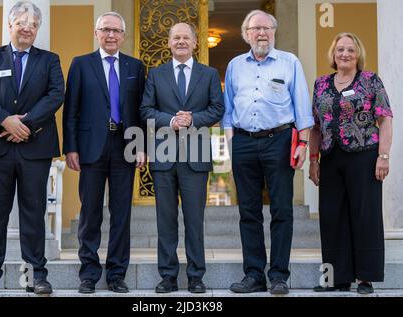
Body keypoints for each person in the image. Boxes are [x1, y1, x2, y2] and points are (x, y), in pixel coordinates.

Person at [0, 1, 64, 296]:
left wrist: (26, 124)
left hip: (35, 146)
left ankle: (37, 275)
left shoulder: (49, 60)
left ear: (37, 30)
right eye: (21, 22)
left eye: (33, 24)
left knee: (33, 211)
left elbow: (55, 94)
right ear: (10, 26)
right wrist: (5, 121)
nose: (27, 28)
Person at [223, 10, 314, 295]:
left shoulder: (290, 62)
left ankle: (279, 276)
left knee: (281, 210)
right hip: (243, 142)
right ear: (246, 34)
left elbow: (302, 107)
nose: (261, 33)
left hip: (280, 139)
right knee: (248, 211)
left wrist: (302, 144)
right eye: (255, 29)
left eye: (266, 28)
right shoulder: (235, 65)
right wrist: (230, 144)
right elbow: (228, 109)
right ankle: (253, 275)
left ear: (274, 32)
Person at [63, 12, 146, 294]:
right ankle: (88, 274)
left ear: (123, 35)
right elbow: (71, 110)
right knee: (90, 212)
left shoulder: (136, 66)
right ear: (96, 33)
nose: (111, 35)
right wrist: (70, 147)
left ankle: (116, 275)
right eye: (105, 30)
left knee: (121, 213)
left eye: (116, 31)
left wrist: (141, 145)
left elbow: (141, 112)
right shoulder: (81, 64)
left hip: (125, 145)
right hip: (90, 147)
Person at [140, 23, 224, 293]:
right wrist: (172, 120)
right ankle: (168, 276)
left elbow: (217, 109)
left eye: (186, 37)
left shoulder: (209, 74)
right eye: (175, 37)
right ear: (168, 43)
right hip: (163, 156)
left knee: (194, 220)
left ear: (195, 42)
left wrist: (193, 119)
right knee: (165, 220)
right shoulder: (156, 74)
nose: (181, 42)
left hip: (196, 156)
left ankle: (196, 277)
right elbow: (146, 110)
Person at [309, 33, 393, 295]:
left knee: (364, 215)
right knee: (332, 217)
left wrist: (384, 155)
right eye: (340, 50)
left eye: (350, 50)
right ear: (333, 54)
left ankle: (365, 278)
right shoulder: (321, 84)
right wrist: (313, 160)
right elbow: (315, 125)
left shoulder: (370, 81)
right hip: (331, 157)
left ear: (358, 55)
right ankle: (335, 278)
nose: (345, 54)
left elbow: (385, 119)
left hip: (364, 155)